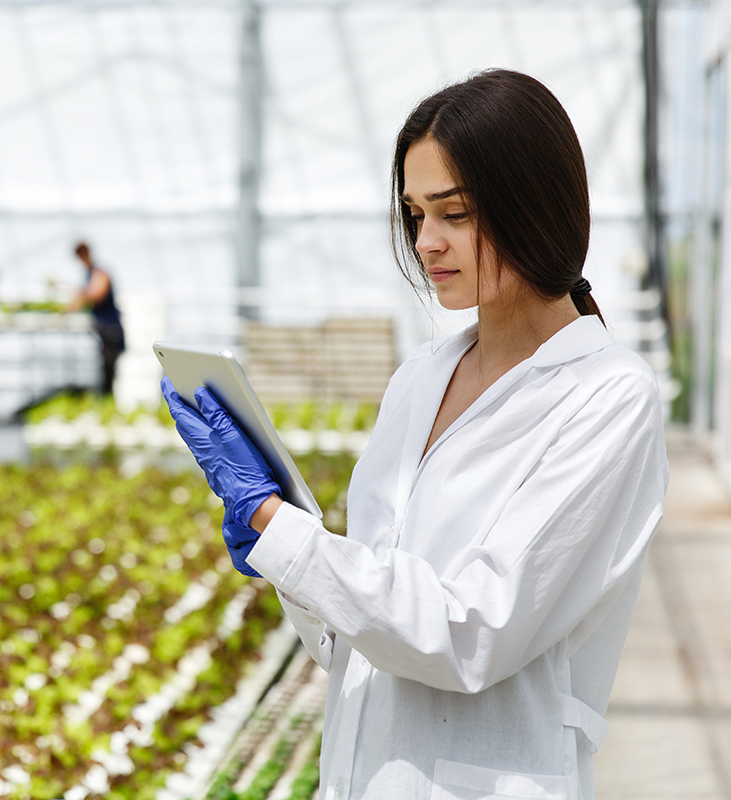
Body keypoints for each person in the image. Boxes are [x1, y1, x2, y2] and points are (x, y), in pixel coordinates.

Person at [162, 69, 669, 800]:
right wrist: (290, 550)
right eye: (415, 213)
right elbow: (356, 637)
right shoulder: (419, 379)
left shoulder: (607, 396)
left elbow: (472, 633)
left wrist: (280, 528)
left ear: (533, 203)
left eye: (454, 213)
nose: (427, 241)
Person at [70, 241, 125, 395]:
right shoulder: (90, 273)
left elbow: (96, 295)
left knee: (111, 370)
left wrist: (80, 297)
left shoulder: (100, 273)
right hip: (103, 328)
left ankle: (109, 401)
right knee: (105, 370)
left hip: (111, 328)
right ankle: (106, 399)